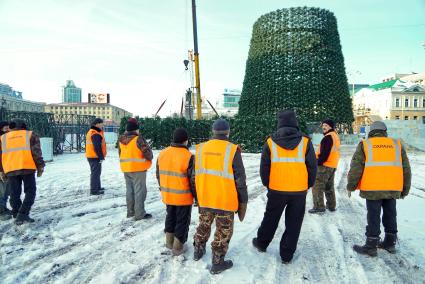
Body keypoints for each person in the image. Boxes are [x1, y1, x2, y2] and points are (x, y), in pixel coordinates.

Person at [252, 110, 317, 263]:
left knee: (271, 217)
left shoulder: (270, 142)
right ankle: (287, 255)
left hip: (277, 189)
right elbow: (312, 167)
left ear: (279, 123)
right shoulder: (306, 142)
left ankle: (262, 243)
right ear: (295, 123)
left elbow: (264, 167)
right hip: (299, 190)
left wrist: (268, 184)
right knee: (294, 223)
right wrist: (308, 184)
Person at [192, 118, 248, 274]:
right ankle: (217, 262)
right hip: (225, 200)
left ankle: (198, 250)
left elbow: (193, 175)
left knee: (203, 225)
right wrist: (243, 200)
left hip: (205, 197)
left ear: (213, 132)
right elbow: (240, 179)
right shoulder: (232, 150)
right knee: (223, 231)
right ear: (228, 132)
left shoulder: (201, 149)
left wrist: (197, 196)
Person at [347, 121, 411, 256]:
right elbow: (406, 169)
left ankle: (371, 246)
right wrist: (405, 189)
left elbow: (356, 168)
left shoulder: (365, 144)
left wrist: (351, 186)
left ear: (371, 132)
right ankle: (390, 243)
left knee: (373, 216)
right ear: (385, 132)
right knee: (390, 213)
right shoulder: (397, 145)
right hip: (392, 187)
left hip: (372, 188)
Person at [156, 128, 194, 256]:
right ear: (185, 140)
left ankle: (169, 242)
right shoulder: (188, 156)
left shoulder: (162, 153)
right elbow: (193, 179)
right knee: (182, 221)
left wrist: (163, 187)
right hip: (183, 197)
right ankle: (178, 247)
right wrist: (196, 196)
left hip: (168, 195)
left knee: (170, 217)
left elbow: (158, 174)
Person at [0, 118, 45, 225]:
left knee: (14, 193)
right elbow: (36, 152)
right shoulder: (30, 135)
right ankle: (23, 214)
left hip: (10, 169)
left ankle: (16, 213)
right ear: (24, 126)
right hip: (27, 168)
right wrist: (40, 166)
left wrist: (1, 171)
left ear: (11, 127)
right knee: (30, 191)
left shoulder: (2, 138)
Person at [119, 118, 153, 220]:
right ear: (136, 130)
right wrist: (150, 153)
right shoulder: (138, 139)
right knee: (140, 191)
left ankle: (130, 212)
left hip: (126, 168)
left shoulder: (121, 139)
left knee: (130, 190)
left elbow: (120, 153)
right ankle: (140, 214)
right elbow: (148, 153)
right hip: (138, 169)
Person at [309, 119, 340, 214]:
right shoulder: (335, 136)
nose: (323, 127)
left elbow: (324, 154)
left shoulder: (327, 137)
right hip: (332, 165)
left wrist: (317, 162)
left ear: (331, 126)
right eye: (323, 125)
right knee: (329, 187)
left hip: (324, 166)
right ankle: (331, 205)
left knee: (317, 186)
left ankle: (319, 207)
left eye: (326, 125)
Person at [86, 118, 107, 195]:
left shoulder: (93, 132)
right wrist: (101, 157)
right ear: (97, 124)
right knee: (95, 173)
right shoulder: (95, 133)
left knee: (97, 173)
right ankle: (94, 190)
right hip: (94, 156)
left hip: (93, 156)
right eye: (102, 123)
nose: (103, 125)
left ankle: (98, 187)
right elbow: (97, 147)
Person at [0, 121, 11, 220]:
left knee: (7, 191)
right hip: (1, 169)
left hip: (8, 168)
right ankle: (1, 212)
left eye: (8, 128)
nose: (8, 130)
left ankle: (4, 208)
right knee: (1, 191)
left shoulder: (7, 139)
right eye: (5, 128)